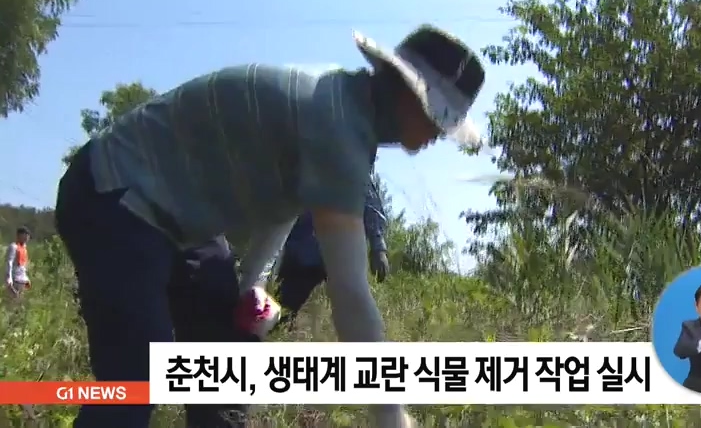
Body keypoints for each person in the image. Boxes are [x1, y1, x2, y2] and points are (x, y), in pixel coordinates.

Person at [54, 24, 485, 428]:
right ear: (410, 95)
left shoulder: (345, 104)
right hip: (115, 190)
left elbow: (282, 206)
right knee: (137, 375)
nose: (439, 133)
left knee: (227, 364)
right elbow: (350, 292)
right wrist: (390, 414)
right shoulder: (338, 128)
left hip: (180, 220)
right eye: (439, 117)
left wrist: (251, 283)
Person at [275, 171, 389, 331]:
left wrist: (378, 248)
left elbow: (369, 204)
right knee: (280, 309)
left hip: (333, 253)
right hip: (297, 252)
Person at [5, 226, 32, 299]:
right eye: (25, 235)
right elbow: (9, 263)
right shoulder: (13, 247)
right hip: (15, 280)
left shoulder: (24, 248)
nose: (27, 238)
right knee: (13, 301)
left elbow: (23, 267)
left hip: (23, 280)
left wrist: (27, 279)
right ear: (19, 235)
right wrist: (9, 279)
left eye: (28, 236)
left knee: (21, 301)